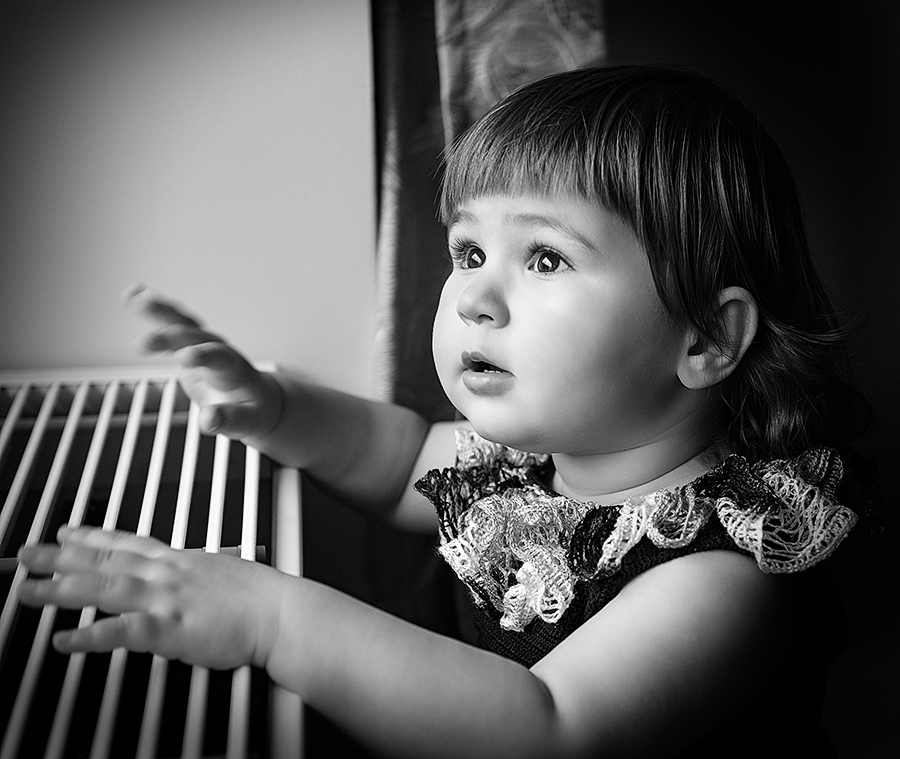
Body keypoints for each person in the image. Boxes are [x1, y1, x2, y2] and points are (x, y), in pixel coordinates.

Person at [18, 65, 873, 758]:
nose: (472, 298)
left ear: (707, 337)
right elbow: (393, 458)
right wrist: (277, 408)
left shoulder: (727, 574)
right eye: (469, 251)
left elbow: (547, 727)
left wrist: (272, 619)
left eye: (544, 257)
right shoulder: (525, 461)